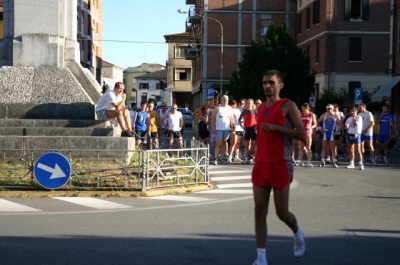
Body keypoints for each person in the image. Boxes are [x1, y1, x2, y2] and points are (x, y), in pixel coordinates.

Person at [249, 70, 306, 265]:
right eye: (265, 82)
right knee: (259, 210)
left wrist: (277, 128)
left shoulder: (287, 105)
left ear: (280, 85)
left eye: (271, 82)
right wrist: (253, 148)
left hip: (281, 163)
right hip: (261, 164)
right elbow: (262, 133)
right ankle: (261, 258)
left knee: (281, 213)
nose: (267, 86)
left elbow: (302, 135)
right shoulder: (261, 107)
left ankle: (297, 233)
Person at [211, 95, 235, 164]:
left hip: (227, 128)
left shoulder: (230, 108)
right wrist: (213, 127)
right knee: (218, 143)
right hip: (219, 128)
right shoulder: (218, 107)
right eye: (224, 100)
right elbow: (212, 117)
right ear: (221, 100)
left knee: (224, 142)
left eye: (226, 100)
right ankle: (216, 158)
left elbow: (232, 118)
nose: (225, 101)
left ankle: (221, 157)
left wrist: (232, 126)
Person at [297, 103, 317, 167]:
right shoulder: (300, 114)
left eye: (304, 108)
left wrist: (311, 127)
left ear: (307, 108)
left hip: (308, 132)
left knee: (308, 147)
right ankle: (300, 161)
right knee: (301, 147)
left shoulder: (311, 115)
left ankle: (309, 161)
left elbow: (315, 124)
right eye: (302, 108)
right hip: (301, 132)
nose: (303, 109)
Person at [239, 99, 258, 164]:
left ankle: (254, 157)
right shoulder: (244, 112)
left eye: (250, 103)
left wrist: (257, 126)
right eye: (248, 103)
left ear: (252, 104)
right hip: (247, 129)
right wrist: (242, 127)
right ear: (246, 104)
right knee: (247, 144)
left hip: (253, 129)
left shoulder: (255, 111)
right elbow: (239, 120)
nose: (249, 104)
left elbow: (259, 119)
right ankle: (247, 157)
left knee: (254, 144)